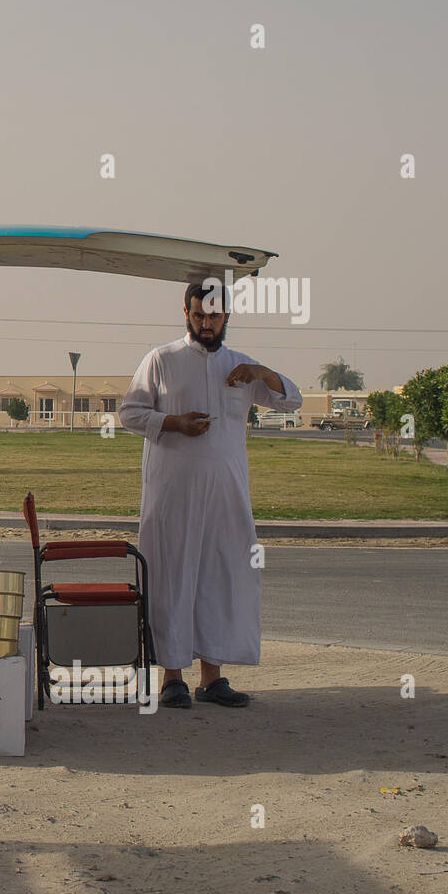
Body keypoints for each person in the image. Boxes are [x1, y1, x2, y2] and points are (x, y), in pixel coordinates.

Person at [119, 282, 302, 708]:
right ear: (186, 312)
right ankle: (172, 678)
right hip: (172, 497)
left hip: (226, 497)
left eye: (214, 317)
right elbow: (129, 411)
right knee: (172, 578)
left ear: (227, 318)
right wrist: (174, 422)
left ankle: (212, 678)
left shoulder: (242, 367)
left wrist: (263, 374)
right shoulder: (161, 359)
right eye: (198, 316)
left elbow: (290, 400)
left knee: (221, 579)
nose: (206, 324)